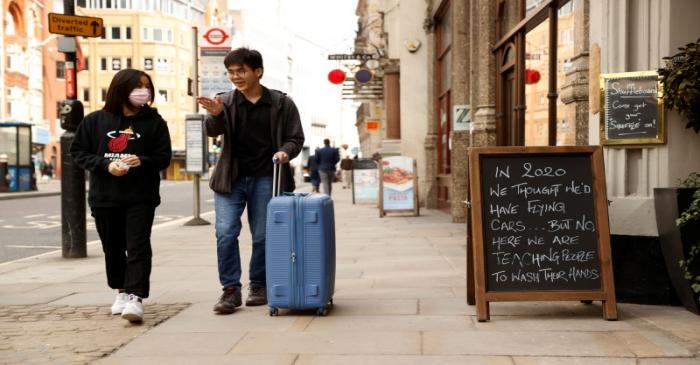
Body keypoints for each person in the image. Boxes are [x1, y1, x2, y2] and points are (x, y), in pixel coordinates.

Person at [197, 47, 304, 314]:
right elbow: (212, 131)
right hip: (230, 179)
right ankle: (230, 290)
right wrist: (216, 114)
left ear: (258, 71)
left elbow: (296, 138)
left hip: (267, 177)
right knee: (225, 233)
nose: (236, 76)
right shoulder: (225, 101)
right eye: (231, 72)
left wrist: (285, 152)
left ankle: (258, 285)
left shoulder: (281, 103)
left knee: (263, 236)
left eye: (241, 71)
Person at [70, 69, 172, 323]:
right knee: (112, 248)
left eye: (147, 86)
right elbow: (78, 151)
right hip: (105, 197)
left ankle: (136, 297)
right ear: (121, 89)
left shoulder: (155, 123)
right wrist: (106, 165)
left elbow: (163, 158)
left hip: (141, 196)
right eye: (137, 86)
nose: (143, 91)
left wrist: (142, 160)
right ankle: (121, 291)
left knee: (137, 247)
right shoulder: (95, 121)